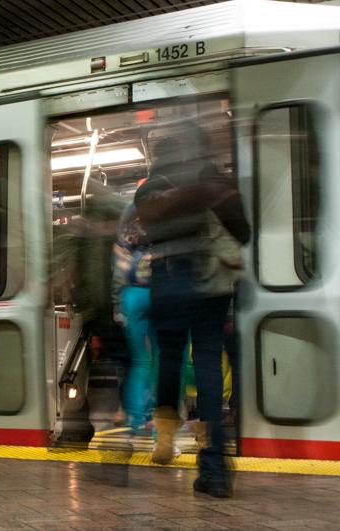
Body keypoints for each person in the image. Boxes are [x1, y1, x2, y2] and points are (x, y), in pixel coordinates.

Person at [135, 123, 249, 498]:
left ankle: (164, 440)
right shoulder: (214, 179)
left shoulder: (151, 186)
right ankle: (214, 466)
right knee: (208, 368)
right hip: (211, 286)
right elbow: (243, 231)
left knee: (168, 361)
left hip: (169, 283)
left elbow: (148, 227)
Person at [112, 194, 158, 434]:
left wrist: (116, 306)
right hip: (157, 292)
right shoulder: (159, 224)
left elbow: (118, 274)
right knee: (159, 359)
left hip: (131, 296)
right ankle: (154, 418)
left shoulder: (124, 235)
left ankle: (135, 418)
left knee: (140, 361)